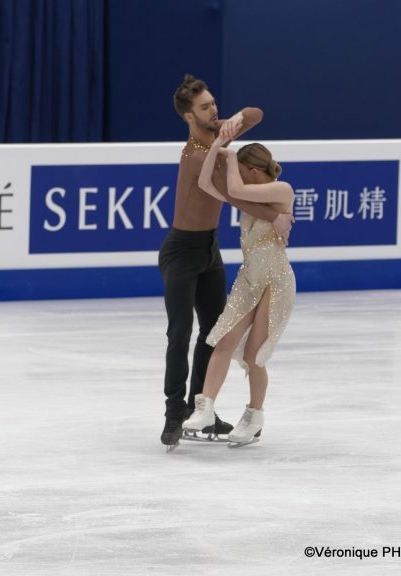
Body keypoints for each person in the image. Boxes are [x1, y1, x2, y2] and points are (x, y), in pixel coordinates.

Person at [159, 74, 293, 448]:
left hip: (209, 249)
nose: (213, 110)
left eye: (214, 103)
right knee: (180, 332)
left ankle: (200, 407)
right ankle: (174, 414)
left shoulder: (219, 136)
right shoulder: (194, 155)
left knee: (213, 331)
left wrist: (235, 117)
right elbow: (229, 195)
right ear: (189, 117)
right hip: (182, 250)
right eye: (205, 107)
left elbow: (256, 113)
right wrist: (274, 215)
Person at [182, 136, 296, 444]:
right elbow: (206, 182)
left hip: (276, 281)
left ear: (254, 171)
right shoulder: (249, 196)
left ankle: (254, 415)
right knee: (222, 339)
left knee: (254, 355)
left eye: (240, 169)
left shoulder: (282, 190)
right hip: (249, 279)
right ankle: (205, 407)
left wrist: (229, 157)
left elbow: (234, 190)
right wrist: (218, 144)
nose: (235, 174)